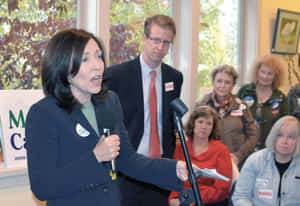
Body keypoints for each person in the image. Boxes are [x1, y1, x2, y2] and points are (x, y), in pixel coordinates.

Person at [25, 29, 190, 206]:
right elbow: (43, 187)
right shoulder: (44, 113)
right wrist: (94, 157)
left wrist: (174, 169)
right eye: (85, 59)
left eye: (98, 56)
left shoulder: (109, 102)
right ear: (63, 66)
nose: (97, 65)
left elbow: (127, 160)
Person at [103, 14, 183, 206]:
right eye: (156, 40)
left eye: (166, 42)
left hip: (160, 168)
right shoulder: (117, 75)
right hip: (129, 168)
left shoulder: (175, 77)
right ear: (144, 38)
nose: (160, 47)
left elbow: (170, 121)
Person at [195, 65, 257, 168]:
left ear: (233, 85)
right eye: (219, 81)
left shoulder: (241, 106)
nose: (222, 85)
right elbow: (194, 135)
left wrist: (238, 156)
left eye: (227, 82)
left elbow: (253, 136)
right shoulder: (201, 106)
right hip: (210, 162)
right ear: (213, 82)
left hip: (238, 163)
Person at [168, 105, 232, 206]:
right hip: (182, 199)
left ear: (213, 128)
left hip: (210, 201)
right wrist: (174, 198)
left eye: (209, 123)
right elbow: (174, 180)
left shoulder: (221, 150)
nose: (204, 127)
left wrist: (194, 198)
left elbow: (223, 189)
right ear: (193, 123)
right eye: (200, 122)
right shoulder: (181, 148)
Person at [232, 115, 300, 206]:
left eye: (291, 137)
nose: (284, 141)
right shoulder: (255, 161)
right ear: (273, 136)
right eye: (280, 135)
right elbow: (240, 196)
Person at [238, 55, 289, 150]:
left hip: (269, 149)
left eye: (270, 74)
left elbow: (285, 127)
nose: (265, 76)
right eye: (262, 72)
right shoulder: (244, 92)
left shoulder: (281, 98)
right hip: (243, 147)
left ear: (276, 76)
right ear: (257, 72)